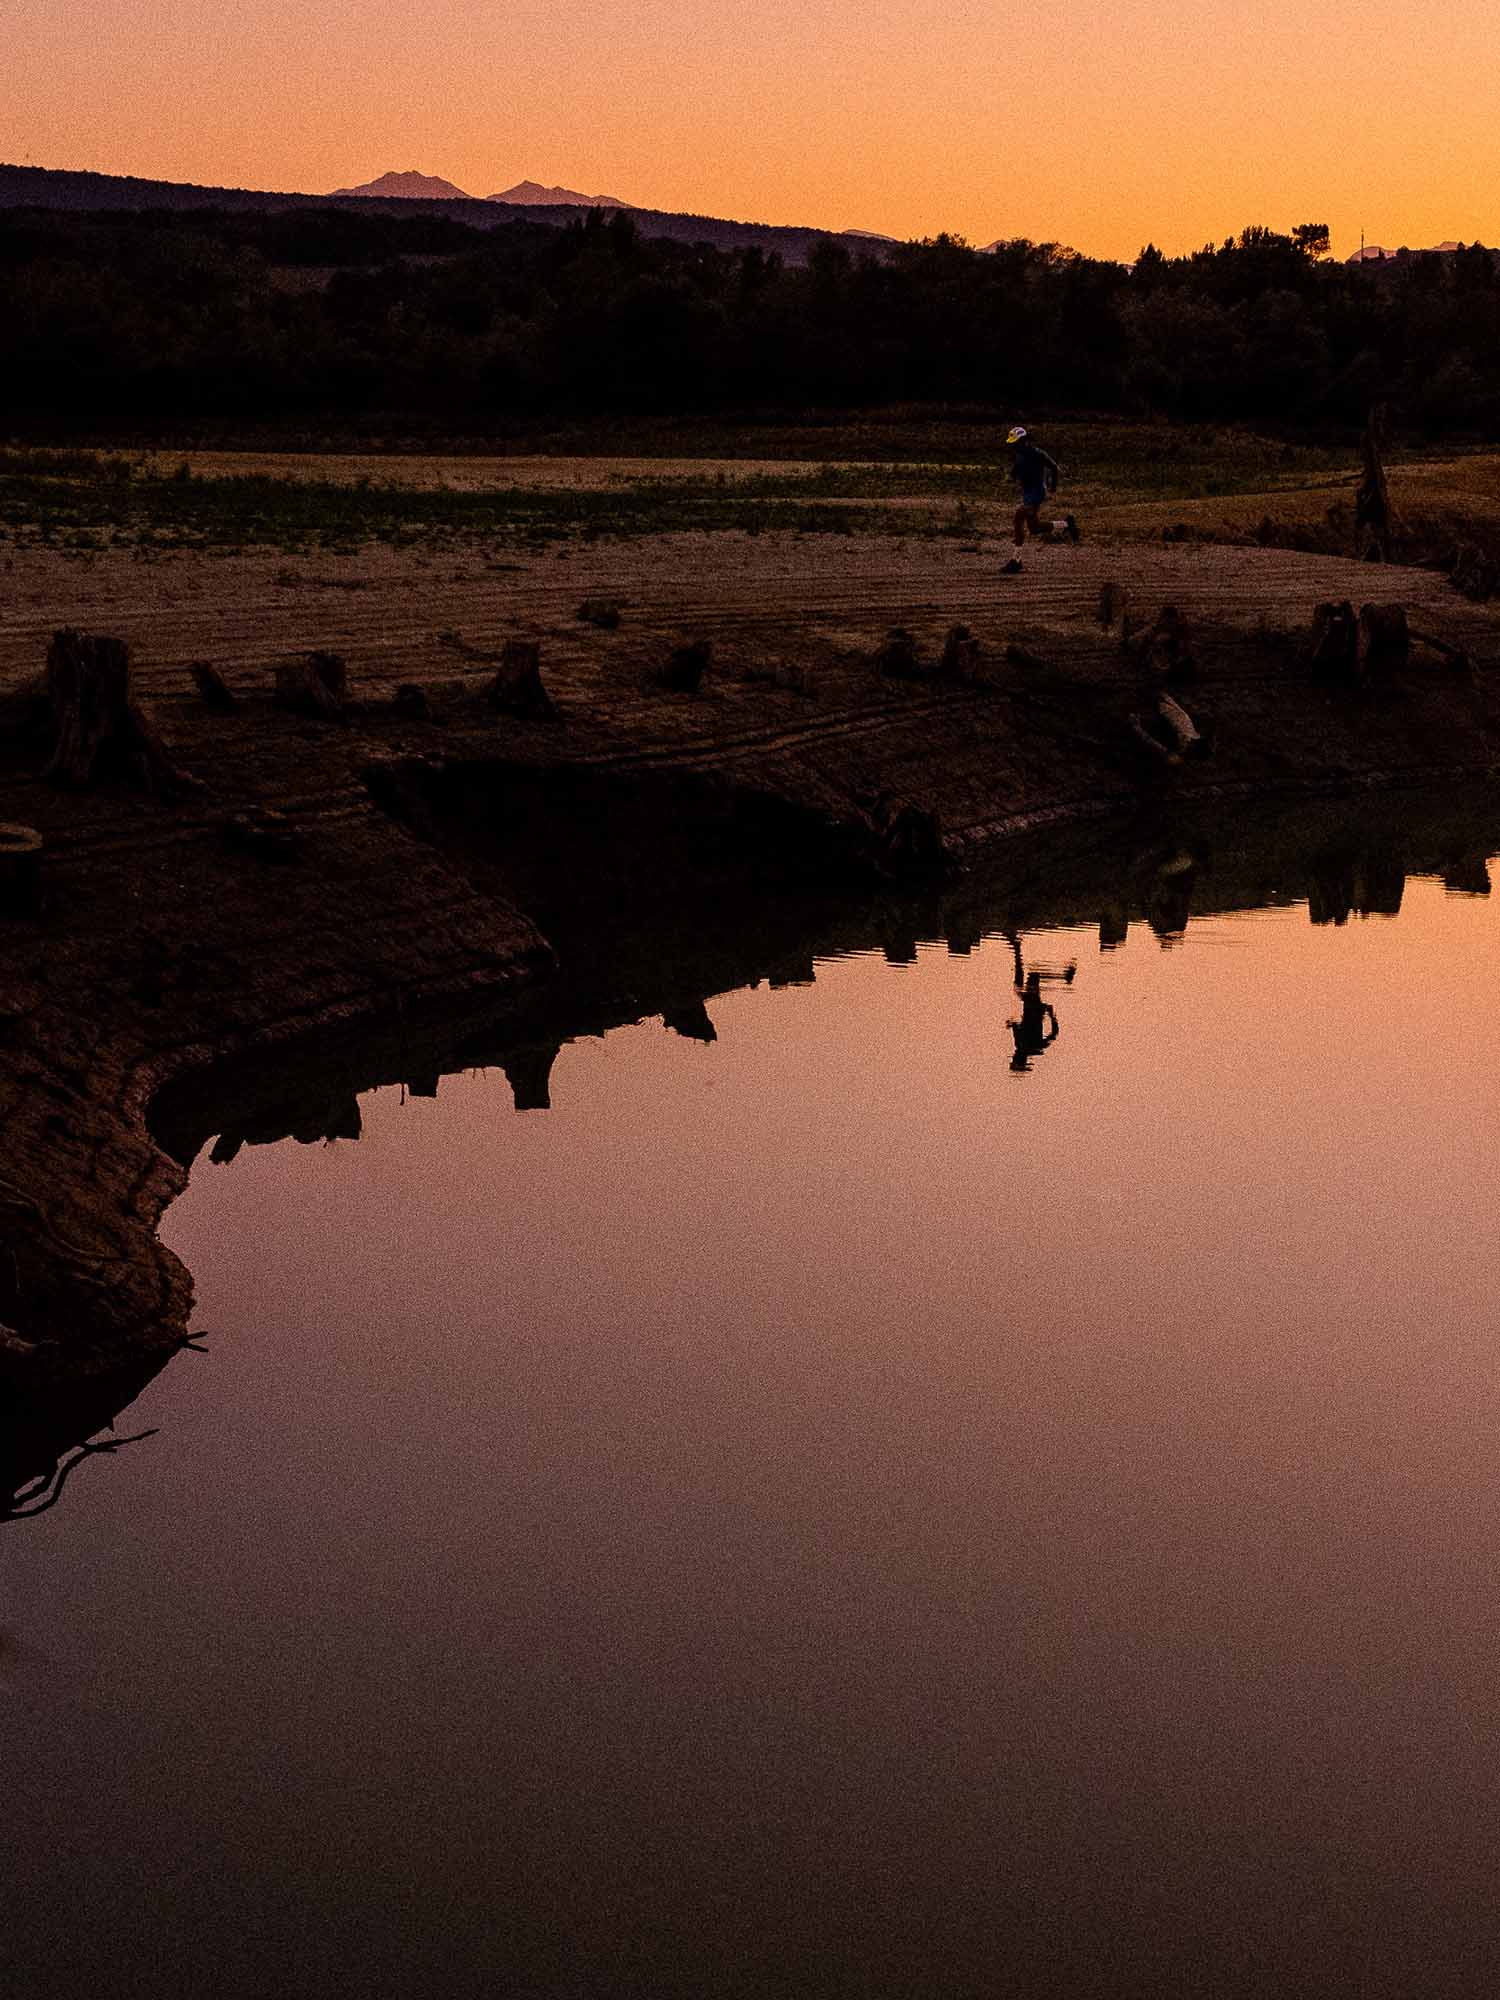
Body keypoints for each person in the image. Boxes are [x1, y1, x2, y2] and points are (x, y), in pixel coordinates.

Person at [1002, 425, 1080, 570]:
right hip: (1027, 493)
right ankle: (1067, 524)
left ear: (1023, 441)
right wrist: (1011, 477)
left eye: (1015, 443)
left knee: (1019, 516)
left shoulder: (1037, 453)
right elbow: (1017, 468)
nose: (1013, 446)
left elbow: (1054, 467)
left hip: (1037, 492)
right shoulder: (1019, 454)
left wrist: (1053, 486)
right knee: (1034, 528)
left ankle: (1016, 561)